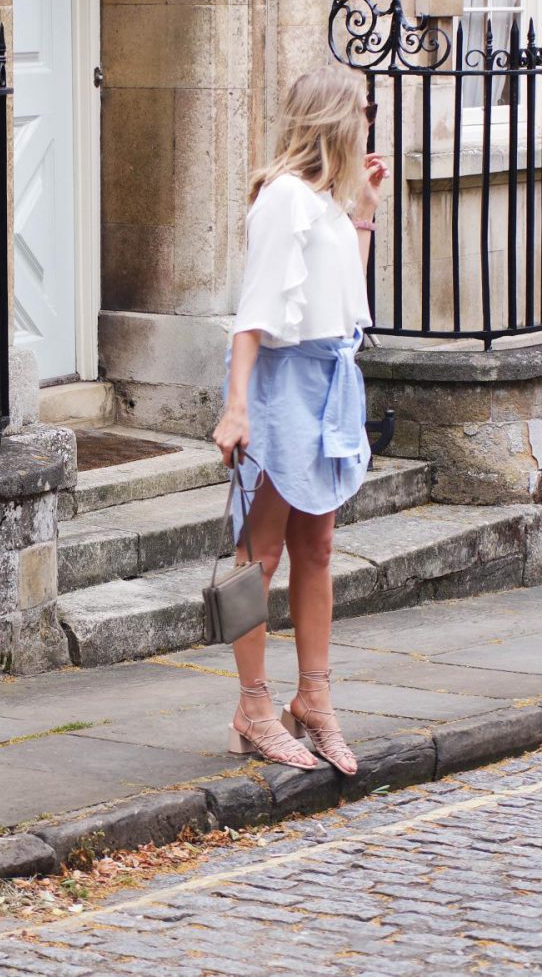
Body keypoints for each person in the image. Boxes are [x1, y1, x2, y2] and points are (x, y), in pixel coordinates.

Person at [211, 65, 386, 774]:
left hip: (328, 380)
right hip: (281, 384)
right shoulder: (282, 198)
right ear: (336, 121)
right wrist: (236, 405)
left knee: (317, 547)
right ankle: (254, 708)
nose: (369, 122)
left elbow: (346, 298)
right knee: (262, 554)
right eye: (363, 110)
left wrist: (365, 210)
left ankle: (314, 698)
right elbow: (253, 312)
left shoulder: (327, 205)